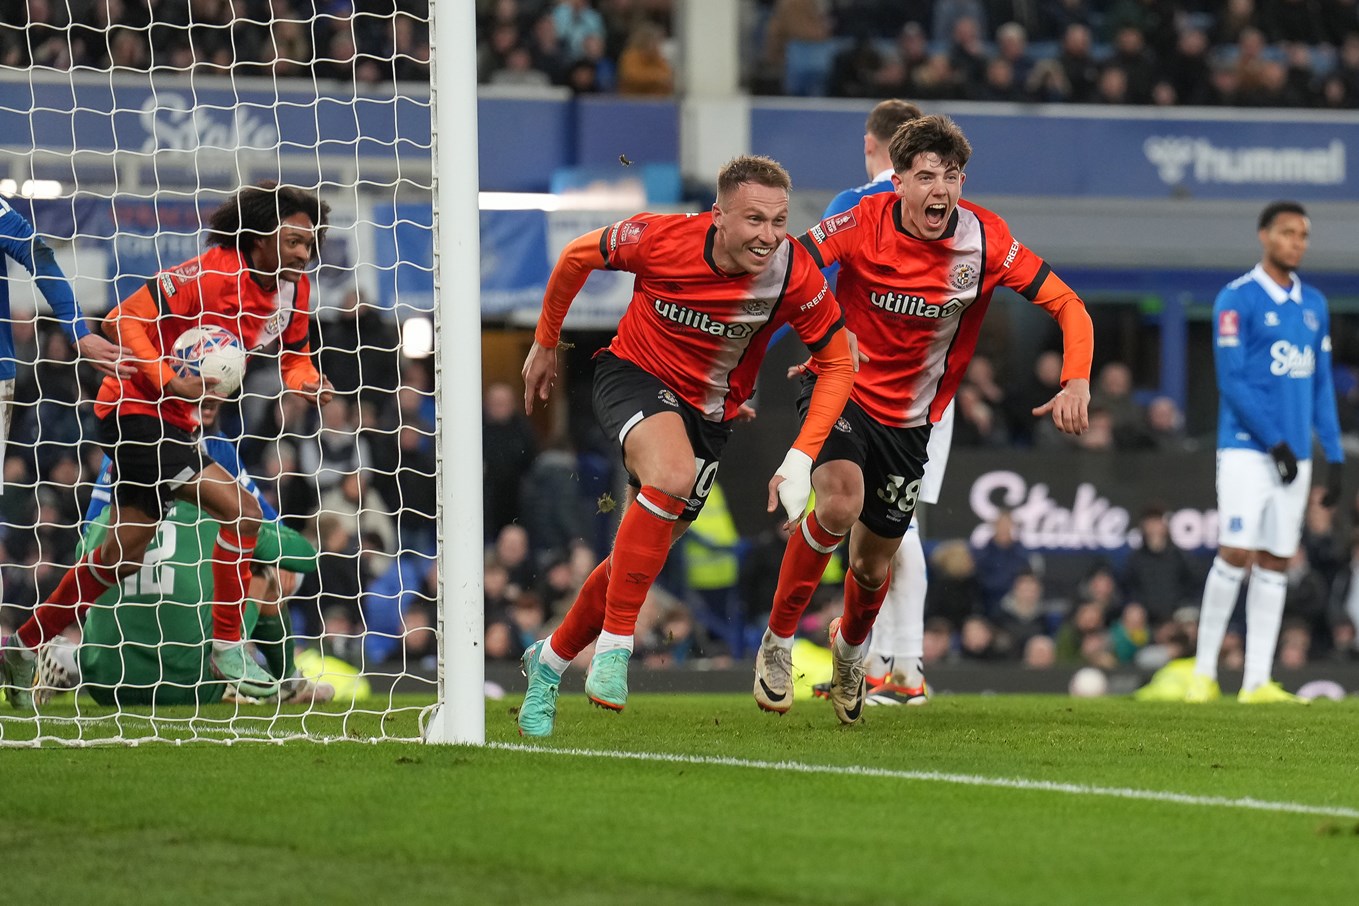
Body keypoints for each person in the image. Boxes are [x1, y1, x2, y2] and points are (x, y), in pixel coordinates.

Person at [753, 114, 1094, 725]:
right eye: (927, 176)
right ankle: (777, 643)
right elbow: (792, 268)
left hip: (913, 421)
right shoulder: (861, 219)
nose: (941, 189)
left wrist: (1076, 379)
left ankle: (852, 652)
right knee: (838, 504)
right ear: (900, 182)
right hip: (841, 390)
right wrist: (826, 327)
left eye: (952, 176)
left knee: (873, 563)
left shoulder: (986, 240)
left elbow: (1068, 304)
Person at [516, 154, 857, 736]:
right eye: (754, 220)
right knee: (671, 476)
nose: (769, 236)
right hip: (633, 374)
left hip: (710, 413)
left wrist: (801, 457)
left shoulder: (792, 272)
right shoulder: (660, 238)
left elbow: (839, 362)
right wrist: (546, 341)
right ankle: (614, 648)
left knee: (638, 557)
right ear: (718, 214)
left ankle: (547, 662)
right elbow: (575, 257)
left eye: (778, 221)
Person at [0, 181, 335, 710]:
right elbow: (122, 318)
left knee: (122, 556)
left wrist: (308, 382)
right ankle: (228, 647)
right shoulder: (210, 273)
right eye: (294, 241)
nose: (304, 253)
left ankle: (24, 646)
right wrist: (168, 378)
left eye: (310, 243)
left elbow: (295, 358)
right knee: (243, 514)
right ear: (259, 238)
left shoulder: (296, 290)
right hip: (133, 409)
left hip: (175, 423)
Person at [35, 397, 332, 706]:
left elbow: (84, 550)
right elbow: (304, 555)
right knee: (256, 570)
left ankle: (66, 655)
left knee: (102, 575)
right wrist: (256, 542)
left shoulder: (107, 514)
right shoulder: (215, 515)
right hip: (190, 685)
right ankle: (270, 676)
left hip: (105, 684)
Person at [809, 98, 956, 706]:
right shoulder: (955, 215)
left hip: (874, 387)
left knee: (893, 525)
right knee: (892, 523)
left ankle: (905, 669)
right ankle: (883, 663)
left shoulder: (854, 204)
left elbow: (813, 283)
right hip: (933, 385)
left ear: (871, 146)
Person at [1185, 200, 1344, 704]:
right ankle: (1203, 674)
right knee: (1235, 552)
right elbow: (1232, 382)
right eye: (1288, 232)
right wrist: (1273, 441)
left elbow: (1320, 384)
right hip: (1247, 451)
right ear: (1264, 236)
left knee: (1276, 561)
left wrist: (1334, 454)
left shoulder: (1314, 304)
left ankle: (1256, 681)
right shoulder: (1237, 299)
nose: (1297, 242)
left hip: (1296, 456)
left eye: (1303, 235)